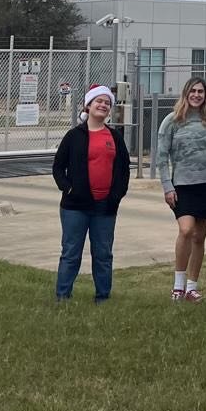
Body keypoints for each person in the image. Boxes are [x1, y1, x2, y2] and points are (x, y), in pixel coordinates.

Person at [51, 84, 130, 302]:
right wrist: (69, 188)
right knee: (71, 253)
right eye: (99, 101)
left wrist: (116, 195)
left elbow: (123, 170)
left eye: (107, 103)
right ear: (88, 105)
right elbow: (58, 167)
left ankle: (103, 296)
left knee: (103, 254)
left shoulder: (114, 137)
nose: (103, 105)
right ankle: (62, 296)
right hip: (75, 207)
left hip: (105, 207)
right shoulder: (74, 136)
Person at [156, 76, 206, 302]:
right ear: (186, 93)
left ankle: (191, 287)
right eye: (193, 91)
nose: (197, 95)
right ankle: (177, 286)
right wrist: (167, 187)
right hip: (183, 185)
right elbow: (161, 158)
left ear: (205, 95)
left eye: (201, 91)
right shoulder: (171, 121)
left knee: (199, 237)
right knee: (186, 230)